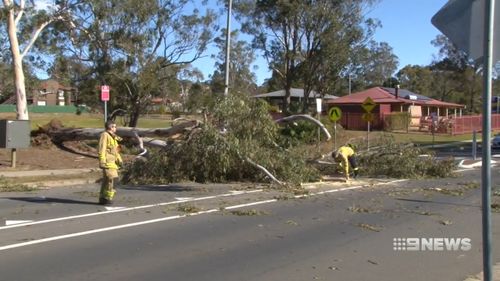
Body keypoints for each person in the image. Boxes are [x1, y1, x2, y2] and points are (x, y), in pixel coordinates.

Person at [98, 120, 123, 205]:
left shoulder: (114, 138)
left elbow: (116, 151)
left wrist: (120, 161)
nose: (115, 128)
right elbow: (102, 148)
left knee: (106, 181)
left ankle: (102, 198)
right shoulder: (105, 135)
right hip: (107, 162)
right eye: (114, 126)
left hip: (113, 163)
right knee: (113, 179)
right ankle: (108, 197)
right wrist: (102, 161)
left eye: (115, 127)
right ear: (110, 127)